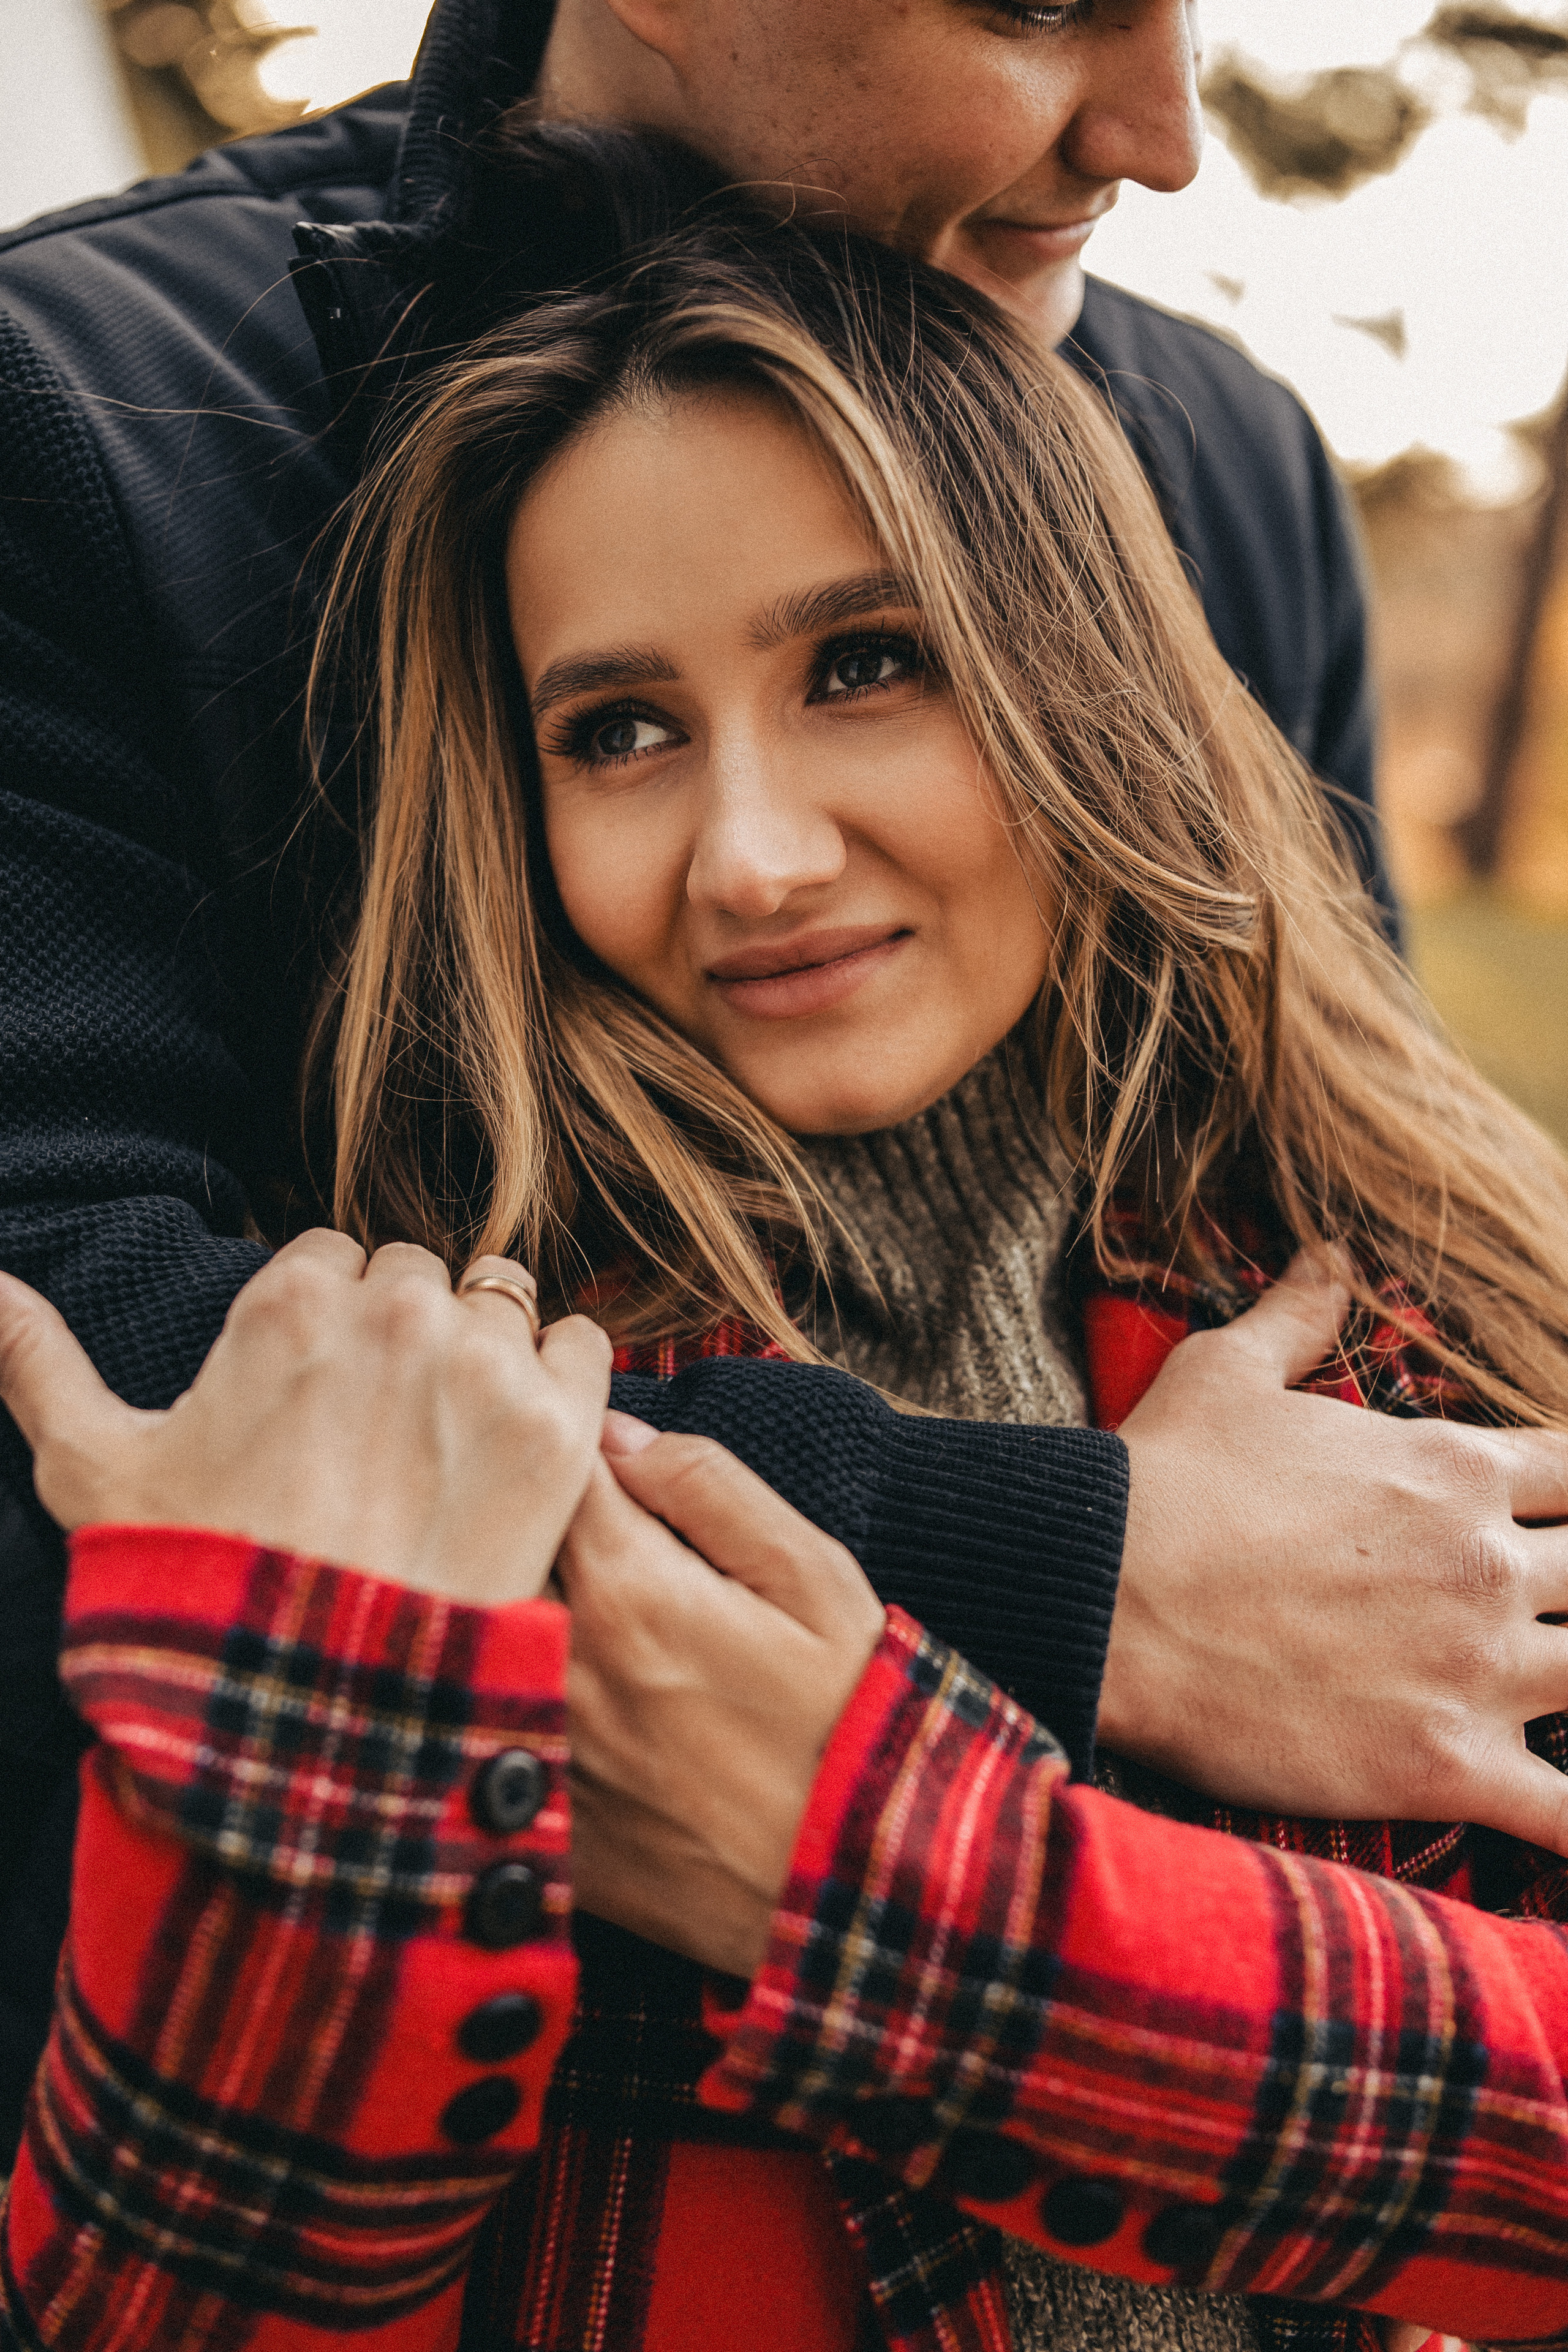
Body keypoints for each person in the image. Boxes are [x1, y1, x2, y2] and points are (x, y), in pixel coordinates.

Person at [2, 0, 1566, 2220]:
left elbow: (1318, 1179)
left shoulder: (1218, 454)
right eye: (1041, 2)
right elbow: (80, 1345)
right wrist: (1069, 1578)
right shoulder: (82, 410)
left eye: (875, 659)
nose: (1165, 135)